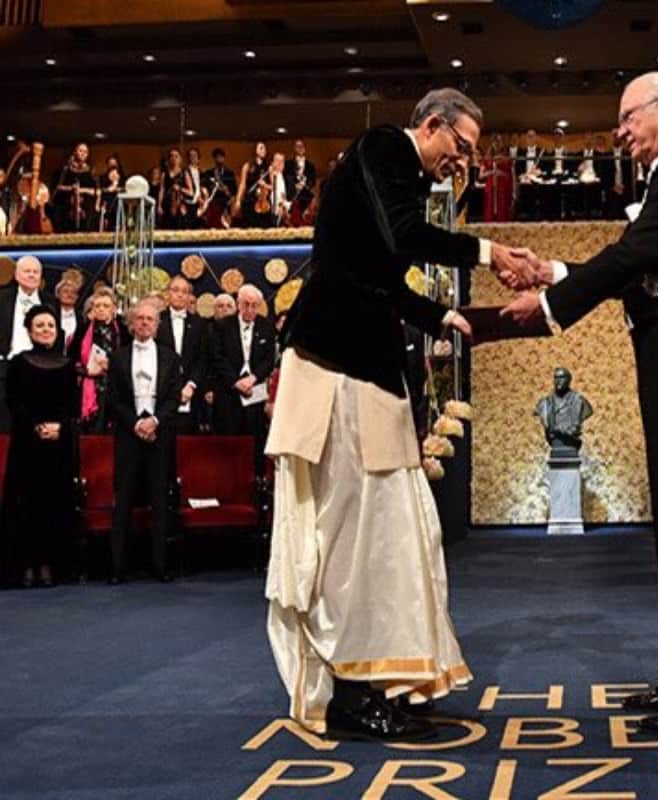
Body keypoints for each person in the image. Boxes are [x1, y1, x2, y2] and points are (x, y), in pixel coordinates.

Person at [264, 87, 534, 742]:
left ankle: (392, 676)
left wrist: (438, 314)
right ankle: (352, 691)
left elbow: (377, 273)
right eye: (460, 148)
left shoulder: (397, 175)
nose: (461, 164)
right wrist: (489, 253)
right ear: (432, 125)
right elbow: (403, 239)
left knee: (399, 533)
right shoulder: (385, 146)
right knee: (357, 540)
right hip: (338, 373)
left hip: (368, 371)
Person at [502, 71, 658, 733]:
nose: (620, 133)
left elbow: (631, 255)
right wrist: (551, 271)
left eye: (626, 118)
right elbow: (638, 266)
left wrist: (551, 302)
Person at [1, 306, 77, 588]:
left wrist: (60, 427)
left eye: (50, 325)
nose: (46, 329)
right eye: (40, 325)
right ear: (30, 330)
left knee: (52, 504)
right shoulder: (18, 363)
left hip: (58, 447)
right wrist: (37, 426)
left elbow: (73, 406)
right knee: (26, 505)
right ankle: (25, 566)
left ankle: (49, 565)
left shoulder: (68, 365)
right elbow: (14, 402)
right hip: (27, 446)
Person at [108, 299, 183, 583]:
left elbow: (173, 397)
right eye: (139, 318)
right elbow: (114, 400)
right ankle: (117, 568)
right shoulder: (118, 357)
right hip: (128, 435)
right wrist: (136, 423)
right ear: (130, 323)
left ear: (157, 325)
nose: (144, 323)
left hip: (159, 434)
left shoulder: (170, 357)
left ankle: (160, 566)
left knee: (159, 500)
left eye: (149, 319)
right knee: (123, 500)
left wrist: (155, 421)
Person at [211, 285, 275, 473]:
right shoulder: (222, 326)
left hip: (255, 392)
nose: (250, 309)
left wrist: (253, 378)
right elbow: (217, 357)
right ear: (238, 304)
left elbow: (268, 360)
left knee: (254, 442)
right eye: (246, 304)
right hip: (229, 393)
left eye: (254, 305)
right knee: (228, 443)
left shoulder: (266, 327)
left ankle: (254, 487)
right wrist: (235, 381)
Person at [0, 256, 61, 432]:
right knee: (6, 425)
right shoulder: (2, 298)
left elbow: (57, 336)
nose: (32, 275)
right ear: (17, 275)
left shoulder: (50, 301)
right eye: (27, 271)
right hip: (7, 369)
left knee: (37, 422)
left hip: (42, 369)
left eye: (36, 272)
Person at [157, 276, 208, 434]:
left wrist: (191, 385)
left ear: (189, 297)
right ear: (168, 294)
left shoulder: (200, 324)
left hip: (191, 392)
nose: (180, 295)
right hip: (162, 391)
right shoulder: (157, 321)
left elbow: (203, 358)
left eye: (184, 292)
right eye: (176, 290)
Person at [69, 286, 124, 434]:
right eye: (97, 305)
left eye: (105, 306)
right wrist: (86, 371)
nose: (101, 309)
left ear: (114, 309)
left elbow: (129, 359)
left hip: (116, 386)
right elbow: (70, 360)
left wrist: (111, 366)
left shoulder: (123, 330)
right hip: (89, 385)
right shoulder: (83, 329)